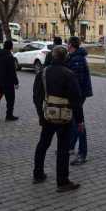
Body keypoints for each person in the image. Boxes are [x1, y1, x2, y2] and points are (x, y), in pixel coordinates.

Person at [33, 46, 84, 192]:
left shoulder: (43, 73)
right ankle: (62, 182)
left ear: (52, 57)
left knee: (43, 144)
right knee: (63, 149)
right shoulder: (69, 74)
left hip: (48, 116)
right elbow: (76, 100)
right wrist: (80, 120)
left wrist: (40, 115)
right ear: (65, 57)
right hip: (65, 117)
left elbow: (36, 97)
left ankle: (38, 174)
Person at [66, 36, 92, 166]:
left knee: (78, 122)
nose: (66, 46)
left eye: (67, 44)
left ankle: (83, 153)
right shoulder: (73, 57)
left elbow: (76, 81)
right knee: (74, 121)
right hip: (77, 95)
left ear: (71, 45)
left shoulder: (77, 59)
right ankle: (70, 147)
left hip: (78, 95)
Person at [0, 40, 19, 121]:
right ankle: (9, 115)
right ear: (11, 47)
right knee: (10, 100)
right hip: (8, 82)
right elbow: (12, 70)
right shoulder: (10, 56)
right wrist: (16, 82)